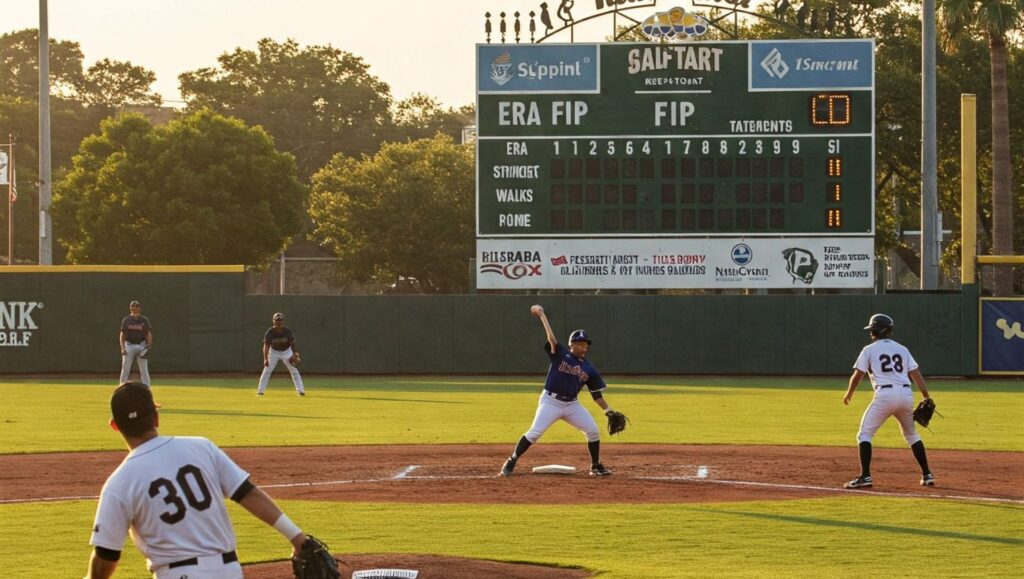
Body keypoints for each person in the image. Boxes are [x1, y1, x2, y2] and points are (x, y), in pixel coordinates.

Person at [86, 382, 314, 578]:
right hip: (229, 571)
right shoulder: (201, 447)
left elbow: (107, 555)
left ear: (115, 426)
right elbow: (248, 494)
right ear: (156, 418)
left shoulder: (118, 482)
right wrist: (298, 538)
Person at [500, 304, 618, 477]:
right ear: (572, 344)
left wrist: (608, 411)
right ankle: (511, 460)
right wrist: (542, 316)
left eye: (586, 344)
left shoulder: (589, 368)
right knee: (534, 433)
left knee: (593, 431)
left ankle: (595, 465)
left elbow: (596, 394)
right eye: (580, 343)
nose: (584, 347)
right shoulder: (561, 354)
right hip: (550, 402)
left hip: (572, 405)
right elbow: (552, 340)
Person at [842, 313, 935, 489]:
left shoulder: (869, 350)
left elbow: (858, 375)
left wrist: (849, 393)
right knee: (912, 435)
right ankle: (927, 474)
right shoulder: (902, 349)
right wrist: (926, 396)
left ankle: (865, 476)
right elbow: (916, 374)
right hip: (906, 395)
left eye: (872, 330)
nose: (871, 333)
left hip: (884, 396)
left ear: (877, 331)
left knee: (864, 435)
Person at [256, 312, 305, 397]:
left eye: (280, 321)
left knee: (294, 371)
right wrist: (265, 359)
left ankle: (300, 391)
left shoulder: (287, 331)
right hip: (273, 352)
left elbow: (292, 343)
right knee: (266, 371)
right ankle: (260, 391)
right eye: (277, 321)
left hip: (287, 352)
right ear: (273, 321)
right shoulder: (270, 332)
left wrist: (295, 354)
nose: (279, 323)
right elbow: (266, 346)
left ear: (283, 322)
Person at [119, 300, 153, 386]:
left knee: (144, 369)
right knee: (125, 369)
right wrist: (123, 348)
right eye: (132, 306)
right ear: (130, 308)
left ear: (139, 308)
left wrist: (148, 344)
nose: (134, 308)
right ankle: (122, 387)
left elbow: (148, 333)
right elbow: (122, 334)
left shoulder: (144, 320)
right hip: (129, 345)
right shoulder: (126, 320)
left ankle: (147, 388)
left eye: (136, 306)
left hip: (141, 345)